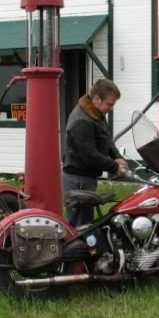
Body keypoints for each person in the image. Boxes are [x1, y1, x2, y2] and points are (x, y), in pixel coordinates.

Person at [62, 79, 129, 226]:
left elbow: (106, 139)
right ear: (97, 99)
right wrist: (114, 167)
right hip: (78, 180)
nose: (111, 108)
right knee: (79, 226)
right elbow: (89, 155)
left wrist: (117, 157)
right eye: (110, 104)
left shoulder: (95, 113)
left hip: (84, 178)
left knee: (86, 223)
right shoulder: (83, 120)